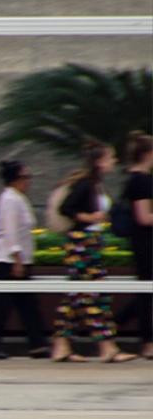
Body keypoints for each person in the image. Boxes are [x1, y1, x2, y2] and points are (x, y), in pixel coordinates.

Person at [50, 142, 137, 363]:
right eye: (111, 157)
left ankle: (62, 344)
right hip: (82, 243)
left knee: (77, 296)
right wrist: (89, 217)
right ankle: (106, 346)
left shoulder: (94, 183)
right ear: (99, 161)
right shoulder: (86, 183)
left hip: (90, 242)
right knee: (95, 295)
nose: (114, 161)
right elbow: (66, 208)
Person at [0, 161, 50, 360]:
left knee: (28, 304)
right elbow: (9, 231)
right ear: (15, 179)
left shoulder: (18, 198)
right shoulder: (10, 199)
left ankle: (38, 345)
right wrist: (17, 259)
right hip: (8, 262)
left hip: (19, 260)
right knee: (1, 307)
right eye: (26, 177)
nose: (29, 181)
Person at [116, 132, 152, 359]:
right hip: (146, 243)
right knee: (146, 293)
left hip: (142, 242)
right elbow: (144, 217)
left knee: (146, 293)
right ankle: (148, 343)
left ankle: (114, 325)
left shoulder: (134, 178)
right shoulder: (142, 180)